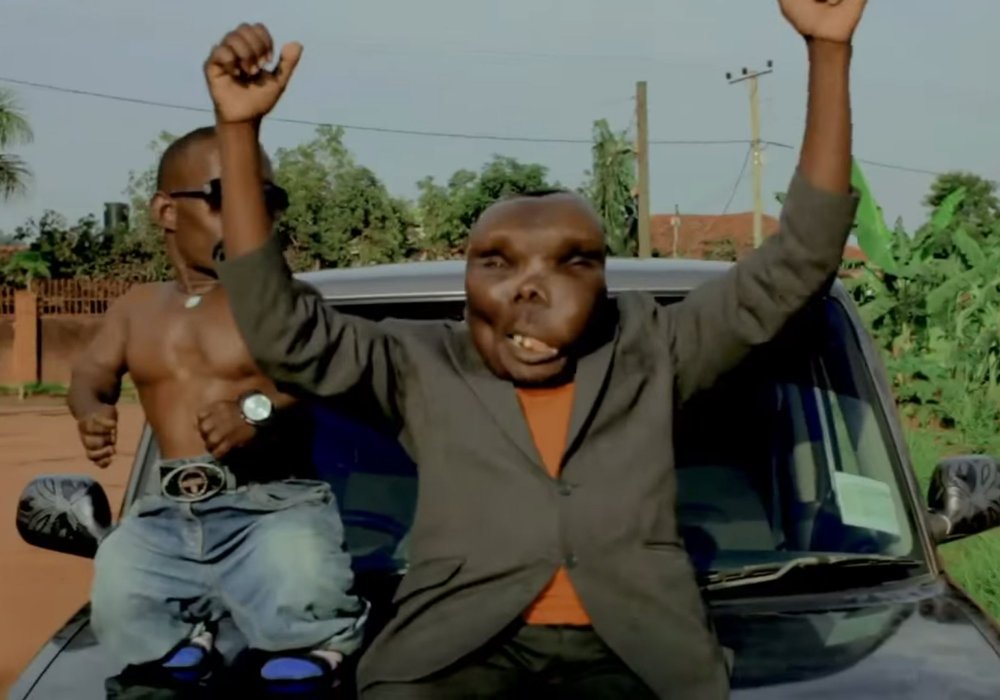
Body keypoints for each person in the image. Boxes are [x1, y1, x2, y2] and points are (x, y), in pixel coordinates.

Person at [204, 1, 866, 696]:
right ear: (467, 287)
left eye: (570, 262)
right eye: (497, 262)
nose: (530, 287)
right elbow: (284, 333)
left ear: (603, 285)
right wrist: (238, 132)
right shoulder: (417, 364)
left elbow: (800, 260)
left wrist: (829, 51)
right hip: (456, 651)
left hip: (640, 654)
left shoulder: (655, 347)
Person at [68, 127, 367, 692]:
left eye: (266, 200)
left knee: (300, 583)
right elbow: (89, 375)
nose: (250, 217)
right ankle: (184, 641)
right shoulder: (135, 309)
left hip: (271, 507)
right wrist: (91, 410)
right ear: (166, 211)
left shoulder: (282, 300)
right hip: (165, 513)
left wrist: (254, 411)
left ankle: (316, 640)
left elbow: (319, 376)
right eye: (227, 198)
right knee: (120, 588)